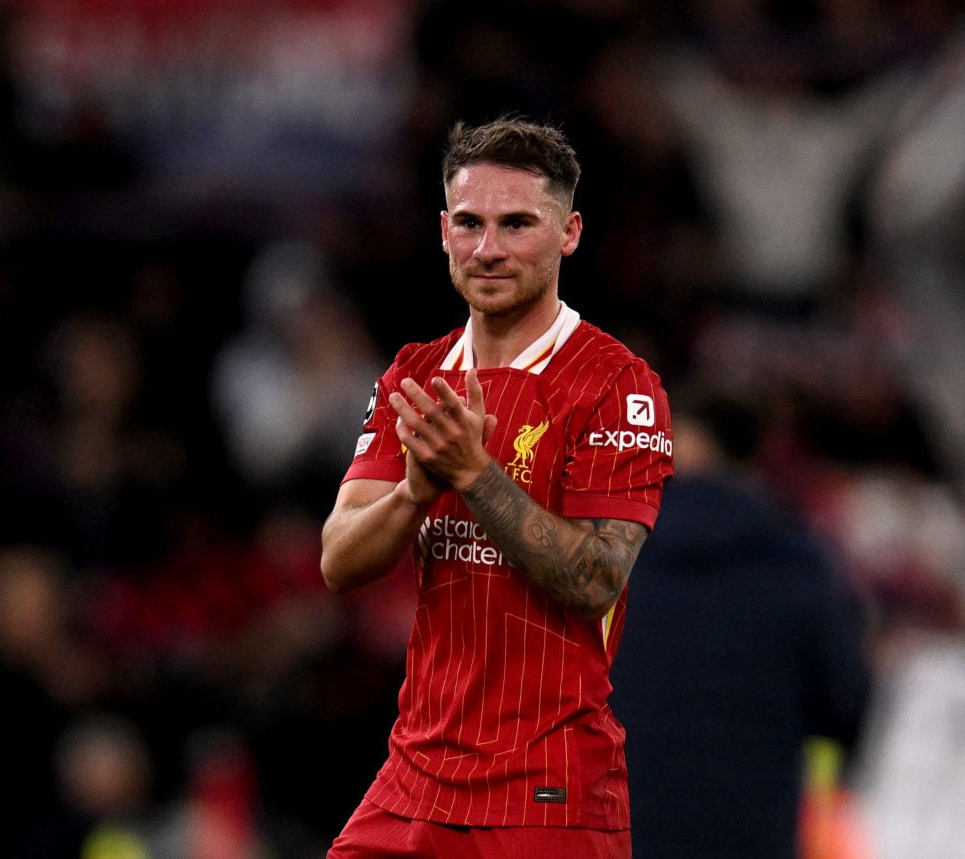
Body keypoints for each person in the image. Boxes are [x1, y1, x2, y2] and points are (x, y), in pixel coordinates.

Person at [319, 116, 674, 858]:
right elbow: (340, 560)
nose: (488, 249)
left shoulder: (618, 386)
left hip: (549, 789)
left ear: (569, 232)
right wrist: (414, 492)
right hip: (415, 775)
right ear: (443, 230)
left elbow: (597, 577)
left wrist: (474, 476)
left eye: (517, 224)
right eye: (471, 224)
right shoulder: (414, 375)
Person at [607, 384, 874, 859]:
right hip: (751, 829)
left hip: (619, 827)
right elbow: (845, 705)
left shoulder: (605, 556)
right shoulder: (799, 561)